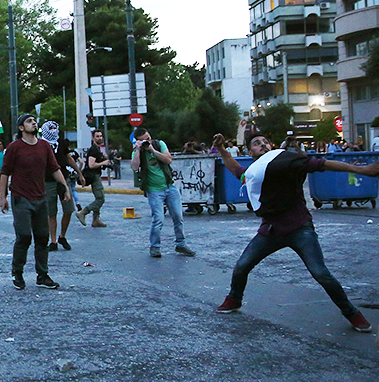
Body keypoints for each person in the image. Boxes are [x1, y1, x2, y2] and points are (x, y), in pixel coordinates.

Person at [212, 133, 378, 332]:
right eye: (257, 143)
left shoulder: (285, 161)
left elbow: (322, 164)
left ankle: (351, 313)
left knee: (321, 273)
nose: (263, 145)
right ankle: (234, 299)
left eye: (265, 142)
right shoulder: (254, 173)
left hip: (299, 228)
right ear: (249, 152)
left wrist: (363, 170)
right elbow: (233, 167)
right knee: (242, 265)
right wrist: (221, 148)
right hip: (271, 230)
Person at [0, 113, 68, 291]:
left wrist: (65, 187)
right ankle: (17, 273)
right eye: (29, 121)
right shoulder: (14, 147)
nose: (34, 123)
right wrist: (2, 197)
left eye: (34, 121)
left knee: (42, 237)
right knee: (24, 236)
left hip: (40, 198)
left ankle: (42, 275)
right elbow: (5, 172)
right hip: (21, 197)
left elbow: (55, 168)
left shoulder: (44, 146)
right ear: (21, 127)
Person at [131, 127, 196, 258]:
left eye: (148, 138)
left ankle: (181, 244)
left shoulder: (159, 144)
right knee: (158, 219)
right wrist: (138, 150)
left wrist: (153, 150)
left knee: (178, 216)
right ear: (138, 141)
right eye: (144, 141)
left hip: (169, 186)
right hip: (153, 190)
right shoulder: (137, 151)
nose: (148, 142)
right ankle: (154, 247)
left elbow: (168, 159)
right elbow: (134, 167)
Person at [47, 137, 84, 252]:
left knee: (69, 209)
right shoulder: (41, 142)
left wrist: (79, 173)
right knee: (51, 212)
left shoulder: (60, 141)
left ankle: (62, 236)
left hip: (63, 178)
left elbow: (68, 158)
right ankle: (53, 241)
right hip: (48, 180)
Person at [75, 129, 111, 228]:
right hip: (94, 176)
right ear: (93, 138)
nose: (100, 138)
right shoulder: (93, 150)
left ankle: (96, 220)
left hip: (96, 175)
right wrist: (103, 163)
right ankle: (83, 212)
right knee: (100, 199)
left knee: (98, 198)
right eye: (97, 136)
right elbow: (91, 165)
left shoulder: (97, 149)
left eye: (101, 136)